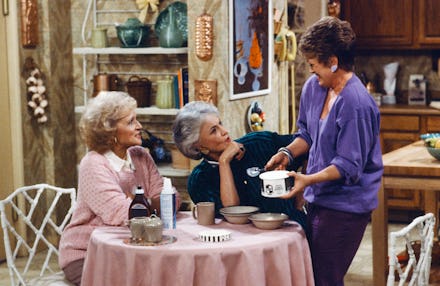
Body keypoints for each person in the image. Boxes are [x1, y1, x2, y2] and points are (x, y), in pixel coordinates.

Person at [265, 16, 383, 285]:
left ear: (333, 61)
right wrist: (287, 154)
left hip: (346, 207)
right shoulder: (314, 88)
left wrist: (306, 179)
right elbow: (306, 134)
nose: (310, 71)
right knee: (311, 274)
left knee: (325, 278)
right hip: (317, 199)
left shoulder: (357, 104)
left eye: (314, 65)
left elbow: (348, 167)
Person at [59, 91, 181, 285]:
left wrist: (139, 200)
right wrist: (146, 204)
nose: (140, 126)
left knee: (171, 274)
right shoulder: (93, 164)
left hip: (134, 247)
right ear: (110, 131)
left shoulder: (140, 155)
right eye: (131, 121)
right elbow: (123, 214)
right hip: (88, 253)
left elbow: (170, 199)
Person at [172, 101, 307, 228]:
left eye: (220, 124)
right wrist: (224, 162)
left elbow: (309, 144)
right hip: (242, 245)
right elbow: (233, 213)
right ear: (199, 146)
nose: (224, 131)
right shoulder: (199, 180)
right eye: (214, 130)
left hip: (292, 230)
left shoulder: (259, 143)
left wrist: (304, 191)